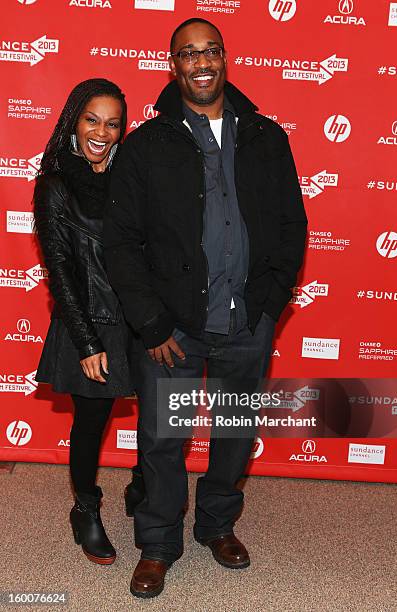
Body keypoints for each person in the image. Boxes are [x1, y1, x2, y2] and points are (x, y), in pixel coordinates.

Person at [104, 18, 307, 597]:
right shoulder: (147, 144)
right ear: (174, 65)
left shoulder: (267, 137)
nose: (200, 63)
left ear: (224, 58)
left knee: (236, 432)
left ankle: (217, 526)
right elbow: (121, 242)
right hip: (174, 328)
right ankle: (158, 543)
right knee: (164, 439)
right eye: (188, 53)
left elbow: (293, 224)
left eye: (210, 51)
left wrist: (270, 303)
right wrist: (151, 321)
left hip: (248, 319)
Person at [34, 78, 140, 566]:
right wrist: (86, 342)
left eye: (113, 123)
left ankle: (144, 490)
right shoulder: (57, 185)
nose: (102, 131)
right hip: (91, 322)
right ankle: (86, 510)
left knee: (164, 413)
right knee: (92, 422)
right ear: (74, 121)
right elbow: (59, 269)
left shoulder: (132, 178)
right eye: (92, 119)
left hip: (141, 321)